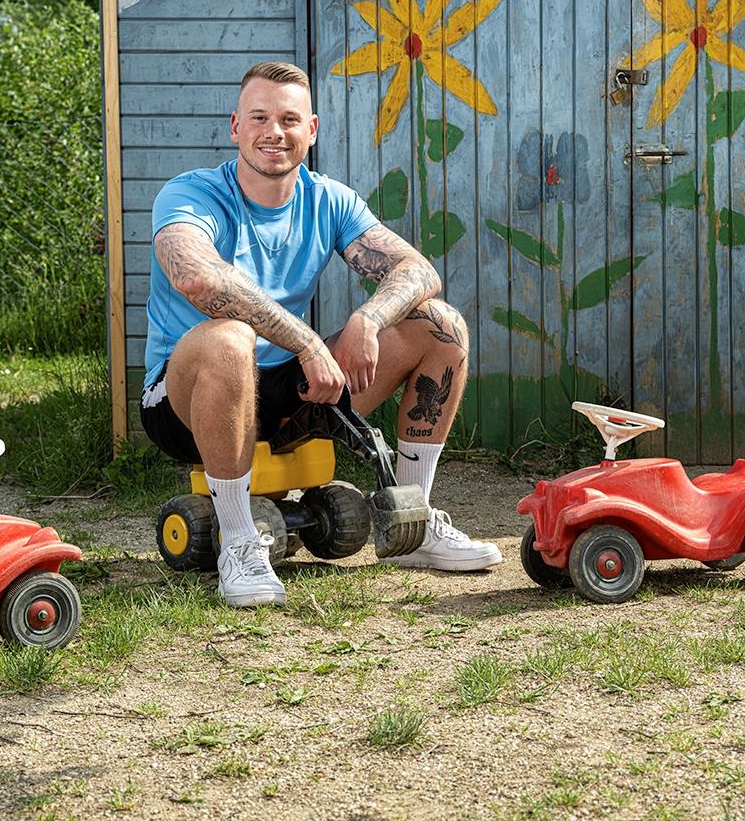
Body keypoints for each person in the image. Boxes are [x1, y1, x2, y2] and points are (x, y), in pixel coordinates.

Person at [140, 61, 502, 607]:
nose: (274, 131)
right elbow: (196, 276)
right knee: (229, 338)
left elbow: (418, 270)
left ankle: (414, 523)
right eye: (259, 117)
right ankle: (238, 542)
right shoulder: (190, 195)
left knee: (441, 325)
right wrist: (309, 343)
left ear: (311, 130)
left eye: (289, 119)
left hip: (289, 392)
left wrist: (369, 319)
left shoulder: (328, 199)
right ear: (236, 127)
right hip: (186, 401)